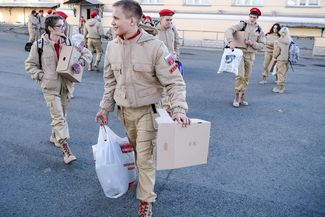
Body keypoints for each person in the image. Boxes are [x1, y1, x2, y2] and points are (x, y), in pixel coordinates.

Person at [95, 1, 190, 216]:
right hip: (124, 112)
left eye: (116, 18)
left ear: (132, 20)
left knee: (145, 158)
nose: (112, 22)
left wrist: (178, 109)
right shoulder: (112, 46)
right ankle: (142, 181)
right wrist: (104, 108)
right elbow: (110, 82)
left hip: (148, 112)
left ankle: (146, 199)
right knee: (137, 153)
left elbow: (174, 81)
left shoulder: (155, 46)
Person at [25, 15, 92, 164]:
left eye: (63, 25)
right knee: (59, 118)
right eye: (60, 26)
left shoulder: (69, 41)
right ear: (50, 28)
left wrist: (80, 62)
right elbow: (30, 65)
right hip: (50, 87)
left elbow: (87, 54)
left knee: (62, 115)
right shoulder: (39, 45)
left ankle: (54, 136)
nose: (64, 28)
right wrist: (41, 75)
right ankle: (66, 149)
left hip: (67, 86)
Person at [225, 7, 265, 107]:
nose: (252, 19)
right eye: (251, 16)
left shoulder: (259, 30)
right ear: (249, 16)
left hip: (251, 55)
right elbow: (229, 30)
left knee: (247, 77)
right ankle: (237, 97)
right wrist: (230, 41)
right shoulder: (242, 25)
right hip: (240, 53)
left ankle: (242, 96)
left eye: (254, 17)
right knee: (240, 75)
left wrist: (252, 43)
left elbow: (262, 44)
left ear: (257, 18)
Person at [272, 27, 292, 94]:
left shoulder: (280, 40)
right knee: (283, 73)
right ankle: (281, 87)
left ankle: (280, 88)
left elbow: (277, 51)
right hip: (288, 59)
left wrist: (274, 56)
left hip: (281, 59)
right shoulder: (290, 40)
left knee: (280, 73)